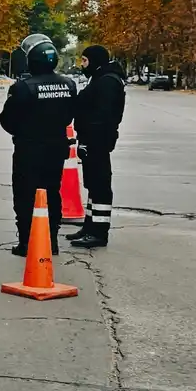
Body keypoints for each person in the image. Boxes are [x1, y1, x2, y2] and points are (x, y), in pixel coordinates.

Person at [0, 40, 77, 256]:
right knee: (52, 192)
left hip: (29, 149)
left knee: (25, 195)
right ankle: (51, 240)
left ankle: (26, 242)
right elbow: (70, 115)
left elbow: (7, 120)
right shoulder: (69, 85)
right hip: (56, 149)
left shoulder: (23, 87)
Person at [68, 44, 127, 248]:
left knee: (100, 185)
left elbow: (102, 116)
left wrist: (89, 139)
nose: (82, 65)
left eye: (85, 61)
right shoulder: (99, 79)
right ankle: (89, 226)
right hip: (92, 140)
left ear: (95, 61)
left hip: (98, 141)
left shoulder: (107, 82)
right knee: (92, 185)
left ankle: (99, 232)